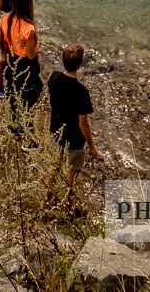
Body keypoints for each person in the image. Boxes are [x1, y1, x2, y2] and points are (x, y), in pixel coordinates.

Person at [47, 44, 97, 202]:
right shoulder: (81, 91)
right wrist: (92, 146)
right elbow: (83, 124)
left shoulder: (54, 77)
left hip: (56, 129)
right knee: (74, 168)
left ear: (63, 61)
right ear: (80, 64)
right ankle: (66, 200)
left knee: (55, 164)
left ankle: (47, 196)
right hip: (74, 137)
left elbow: (51, 101)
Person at [0, 0, 42, 135]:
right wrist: (38, 44)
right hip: (25, 65)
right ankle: (25, 130)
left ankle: (13, 125)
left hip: (10, 60)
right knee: (31, 93)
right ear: (28, 5)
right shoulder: (29, 28)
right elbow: (31, 55)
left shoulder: (5, 18)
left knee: (13, 92)